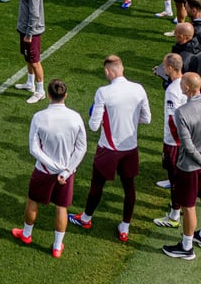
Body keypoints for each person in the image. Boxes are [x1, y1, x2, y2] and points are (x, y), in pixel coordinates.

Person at [70, 55, 151, 242]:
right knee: (129, 187)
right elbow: (146, 119)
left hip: (108, 148)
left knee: (97, 186)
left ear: (108, 71)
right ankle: (125, 227)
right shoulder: (138, 89)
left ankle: (86, 218)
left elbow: (93, 126)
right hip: (130, 148)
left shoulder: (103, 92)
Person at [11, 80, 87, 258]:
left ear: (49, 94)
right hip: (66, 174)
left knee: (32, 201)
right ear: (65, 95)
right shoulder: (75, 117)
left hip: (43, 171)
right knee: (61, 207)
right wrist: (66, 170)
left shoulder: (39, 117)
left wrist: (53, 167)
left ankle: (27, 234)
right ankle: (57, 247)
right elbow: (81, 148)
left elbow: (33, 148)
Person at [162, 73, 201, 260]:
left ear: (187, 88)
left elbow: (187, 146)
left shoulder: (181, 112)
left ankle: (186, 247)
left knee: (188, 206)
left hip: (189, 166)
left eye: (182, 83)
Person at [152, 53, 186, 225]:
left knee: (175, 177)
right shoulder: (187, 82)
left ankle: (174, 215)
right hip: (184, 138)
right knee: (176, 175)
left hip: (175, 141)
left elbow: (173, 120)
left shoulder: (173, 90)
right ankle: (177, 205)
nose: (163, 68)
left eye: (164, 66)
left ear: (170, 68)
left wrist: (174, 142)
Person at [13, 0, 46, 104]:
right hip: (25, 28)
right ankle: (30, 83)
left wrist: (29, 33)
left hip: (31, 31)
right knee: (28, 58)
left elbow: (35, 13)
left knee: (35, 61)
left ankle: (40, 91)